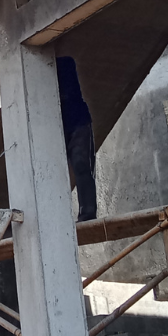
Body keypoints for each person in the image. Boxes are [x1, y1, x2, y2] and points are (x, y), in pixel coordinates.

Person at [56, 57, 97, 221]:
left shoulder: (65, 63)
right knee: (54, 173)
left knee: (81, 165)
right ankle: (59, 216)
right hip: (55, 124)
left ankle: (87, 213)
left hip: (78, 122)